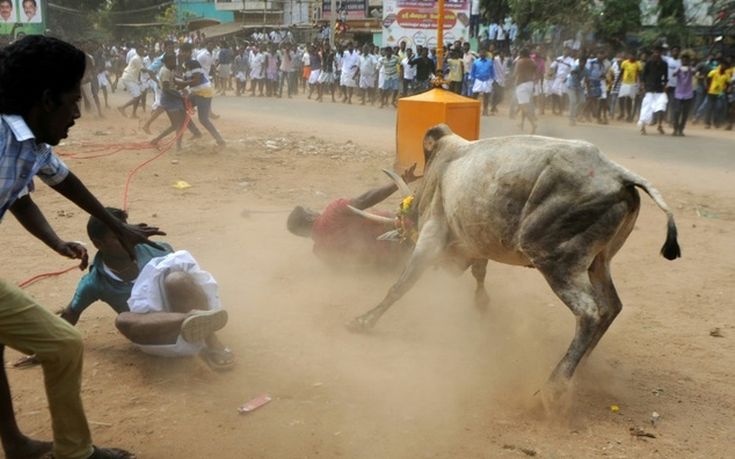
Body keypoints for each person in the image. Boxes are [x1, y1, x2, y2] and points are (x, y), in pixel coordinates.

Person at [0, 35, 164, 459]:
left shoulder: (28, 140)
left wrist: (98, 230)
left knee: (57, 344)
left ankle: (38, 447)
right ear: (46, 99)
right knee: (61, 343)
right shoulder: (1, 138)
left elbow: (47, 184)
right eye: (73, 101)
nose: (78, 112)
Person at [12, 208, 233, 371]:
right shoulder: (94, 282)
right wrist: (44, 348)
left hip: (183, 316)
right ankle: (193, 319)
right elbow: (71, 314)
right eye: (117, 236)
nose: (126, 238)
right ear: (99, 244)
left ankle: (212, 342)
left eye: (125, 231)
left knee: (178, 278)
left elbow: (193, 282)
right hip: (156, 335)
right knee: (124, 320)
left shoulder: (155, 250)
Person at [287, 165, 418, 269]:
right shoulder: (333, 212)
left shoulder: (320, 253)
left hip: (395, 265)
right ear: (309, 217)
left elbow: (351, 269)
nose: (315, 210)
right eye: (310, 210)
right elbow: (366, 199)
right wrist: (400, 182)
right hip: (406, 235)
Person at [180, 43, 226, 146]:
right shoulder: (186, 64)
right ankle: (196, 133)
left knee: (203, 119)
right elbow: (187, 80)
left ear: (189, 52)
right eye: (181, 51)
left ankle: (219, 140)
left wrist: (182, 84)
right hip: (197, 92)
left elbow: (197, 79)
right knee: (181, 109)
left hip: (203, 92)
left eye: (184, 52)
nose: (182, 54)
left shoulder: (193, 63)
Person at [637, 46, 669, 135]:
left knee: (661, 106)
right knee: (646, 107)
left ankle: (659, 125)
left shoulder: (664, 64)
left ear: (660, 54)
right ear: (653, 53)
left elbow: (666, 77)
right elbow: (643, 76)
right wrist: (642, 87)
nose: (657, 54)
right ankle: (643, 127)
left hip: (660, 89)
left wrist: (665, 87)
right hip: (649, 88)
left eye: (658, 52)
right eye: (655, 52)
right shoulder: (649, 63)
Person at [117, 44, 145, 118]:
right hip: (128, 78)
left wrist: (138, 80)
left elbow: (138, 70)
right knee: (137, 96)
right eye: (140, 50)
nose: (142, 51)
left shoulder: (140, 58)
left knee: (138, 96)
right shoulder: (136, 58)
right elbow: (143, 70)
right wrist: (152, 71)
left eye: (143, 50)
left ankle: (133, 114)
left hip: (132, 78)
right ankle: (122, 107)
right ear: (137, 51)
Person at [513, 48, 538, 134]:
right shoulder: (532, 62)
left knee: (523, 106)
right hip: (530, 84)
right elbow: (536, 72)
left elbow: (515, 73)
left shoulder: (520, 62)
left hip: (521, 85)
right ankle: (522, 123)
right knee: (525, 104)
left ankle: (533, 124)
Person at [671, 51, 695, 136]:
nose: (684, 61)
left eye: (686, 60)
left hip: (688, 94)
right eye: (683, 60)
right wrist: (679, 70)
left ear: (688, 61)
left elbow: (694, 72)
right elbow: (673, 74)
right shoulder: (678, 68)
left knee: (685, 113)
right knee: (677, 112)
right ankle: (675, 129)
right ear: (681, 61)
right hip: (678, 93)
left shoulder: (691, 69)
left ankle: (681, 129)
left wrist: (689, 68)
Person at [617, 52, 642, 122]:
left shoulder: (638, 64)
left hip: (632, 84)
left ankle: (629, 115)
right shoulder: (624, 63)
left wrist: (640, 84)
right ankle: (622, 112)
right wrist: (616, 83)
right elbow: (621, 72)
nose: (632, 57)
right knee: (620, 98)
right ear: (628, 55)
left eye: (633, 55)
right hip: (624, 83)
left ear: (635, 56)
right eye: (631, 55)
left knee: (629, 100)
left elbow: (640, 75)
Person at [471, 48, 495, 116]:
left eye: (483, 53)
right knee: (475, 95)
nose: (482, 54)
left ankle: (485, 111)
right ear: (479, 53)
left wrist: (492, 79)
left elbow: (492, 71)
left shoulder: (490, 62)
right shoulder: (476, 62)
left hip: (487, 80)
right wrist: (472, 78)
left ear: (486, 54)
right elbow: (472, 71)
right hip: (478, 80)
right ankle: (473, 109)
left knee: (486, 96)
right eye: (481, 53)